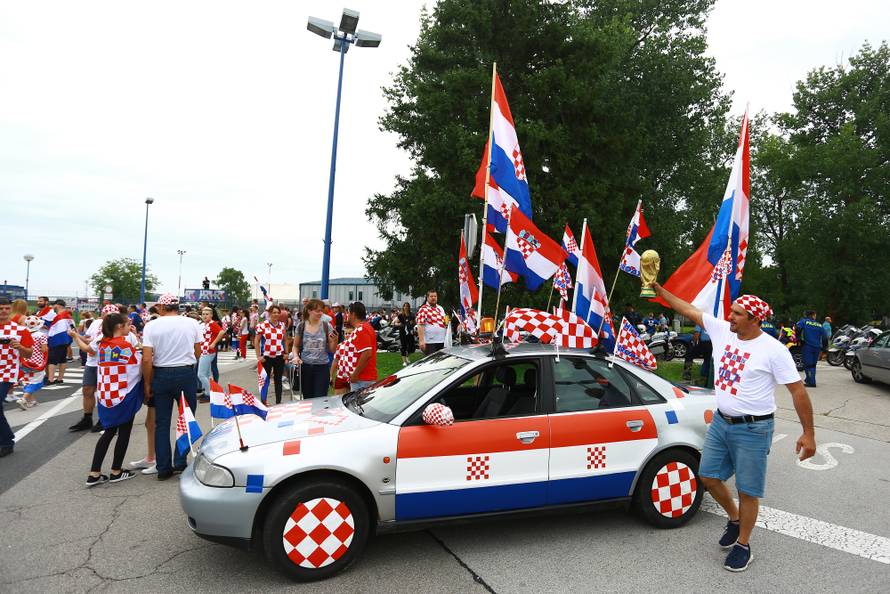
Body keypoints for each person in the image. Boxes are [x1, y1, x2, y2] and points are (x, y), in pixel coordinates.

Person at [654, 283, 816, 572]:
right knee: (707, 477)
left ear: (755, 319)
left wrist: (809, 433)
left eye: (737, 314)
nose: (730, 317)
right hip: (721, 422)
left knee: (748, 490)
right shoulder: (721, 330)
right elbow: (687, 309)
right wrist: (658, 289)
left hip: (754, 429)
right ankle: (734, 517)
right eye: (730, 312)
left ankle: (743, 545)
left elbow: (798, 392)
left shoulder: (774, 350)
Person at [76, 313, 143, 486]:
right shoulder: (124, 345)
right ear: (120, 327)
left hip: (106, 395)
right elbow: (139, 364)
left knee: (109, 432)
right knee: (124, 432)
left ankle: (94, 473)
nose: (129, 327)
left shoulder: (102, 344)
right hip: (123, 394)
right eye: (127, 325)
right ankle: (116, 471)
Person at [141, 294, 202, 480]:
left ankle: (163, 467)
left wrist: (147, 383)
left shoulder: (151, 326)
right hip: (185, 372)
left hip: (161, 374)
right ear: (178, 306)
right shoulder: (192, 323)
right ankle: (180, 459)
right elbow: (198, 351)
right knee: (186, 418)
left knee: (162, 422)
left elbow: (146, 358)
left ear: (161, 307)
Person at [0, 296, 34, 456]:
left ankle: (7, 442)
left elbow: (29, 353)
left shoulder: (20, 330)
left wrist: (20, 346)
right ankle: (6, 439)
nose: (4, 311)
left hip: (7, 373)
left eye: (7, 308)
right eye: (1, 308)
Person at [292, 299, 338, 398]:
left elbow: (332, 350)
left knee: (320, 398)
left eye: (321, 310)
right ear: (309, 311)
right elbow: (295, 346)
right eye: (317, 311)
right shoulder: (301, 326)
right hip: (305, 367)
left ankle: (319, 414)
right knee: (308, 398)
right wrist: (296, 356)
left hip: (322, 367)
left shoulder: (327, 326)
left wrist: (335, 340)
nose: (320, 313)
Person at [254, 304, 287, 404]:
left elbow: (285, 340)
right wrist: (259, 356)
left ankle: (278, 402)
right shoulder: (262, 325)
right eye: (274, 312)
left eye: (278, 312)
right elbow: (257, 341)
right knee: (265, 381)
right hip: (266, 357)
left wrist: (286, 353)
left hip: (279, 356)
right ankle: (263, 402)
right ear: (269, 313)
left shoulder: (282, 325)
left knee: (278, 380)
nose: (276, 314)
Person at [16, 315, 48, 409]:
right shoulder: (42, 335)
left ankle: (32, 401)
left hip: (25, 360)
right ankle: (24, 399)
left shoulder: (24, 334)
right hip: (37, 362)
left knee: (28, 380)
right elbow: (44, 349)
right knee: (37, 381)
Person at [346, 301, 377, 391]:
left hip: (362, 379)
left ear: (353, 314)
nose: (347, 315)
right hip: (364, 378)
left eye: (348, 312)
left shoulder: (361, 329)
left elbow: (367, 353)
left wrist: (355, 374)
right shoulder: (366, 327)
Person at [197, 307, 224, 401]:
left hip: (208, 351)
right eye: (203, 314)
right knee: (207, 374)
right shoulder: (203, 324)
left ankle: (209, 394)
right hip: (203, 351)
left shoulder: (212, 324)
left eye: (207, 314)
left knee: (201, 375)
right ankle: (209, 392)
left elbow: (221, 332)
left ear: (211, 315)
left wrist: (214, 343)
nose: (204, 315)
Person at [45, 299, 74, 385]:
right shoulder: (68, 316)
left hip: (57, 340)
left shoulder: (59, 316)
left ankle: (50, 379)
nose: (52, 307)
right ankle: (60, 378)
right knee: (62, 360)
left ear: (57, 305)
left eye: (53, 305)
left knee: (52, 360)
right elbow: (72, 327)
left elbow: (55, 329)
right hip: (66, 340)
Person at [795, 310, 822, 387]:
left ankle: (811, 382)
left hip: (807, 346)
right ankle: (809, 379)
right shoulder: (819, 324)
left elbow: (797, 329)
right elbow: (824, 337)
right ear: (813, 315)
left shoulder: (803, 322)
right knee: (813, 365)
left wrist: (799, 339)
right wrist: (825, 348)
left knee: (808, 365)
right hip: (817, 347)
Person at [416, 291, 447, 355]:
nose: (433, 298)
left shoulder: (440, 308)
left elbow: (444, 322)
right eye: (431, 296)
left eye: (435, 296)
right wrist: (421, 341)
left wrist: (447, 322)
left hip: (442, 340)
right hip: (430, 342)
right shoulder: (423, 309)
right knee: (431, 362)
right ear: (427, 297)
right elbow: (420, 325)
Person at [395, 302, 415, 366]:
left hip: (410, 332)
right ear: (403, 307)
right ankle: (404, 361)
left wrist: (413, 323)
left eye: (407, 306)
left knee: (411, 347)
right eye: (405, 306)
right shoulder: (400, 315)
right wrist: (399, 324)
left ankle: (407, 356)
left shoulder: (412, 315)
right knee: (403, 346)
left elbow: (415, 322)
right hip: (402, 332)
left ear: (409, 307)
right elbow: (395, 323)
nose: (406, 307)